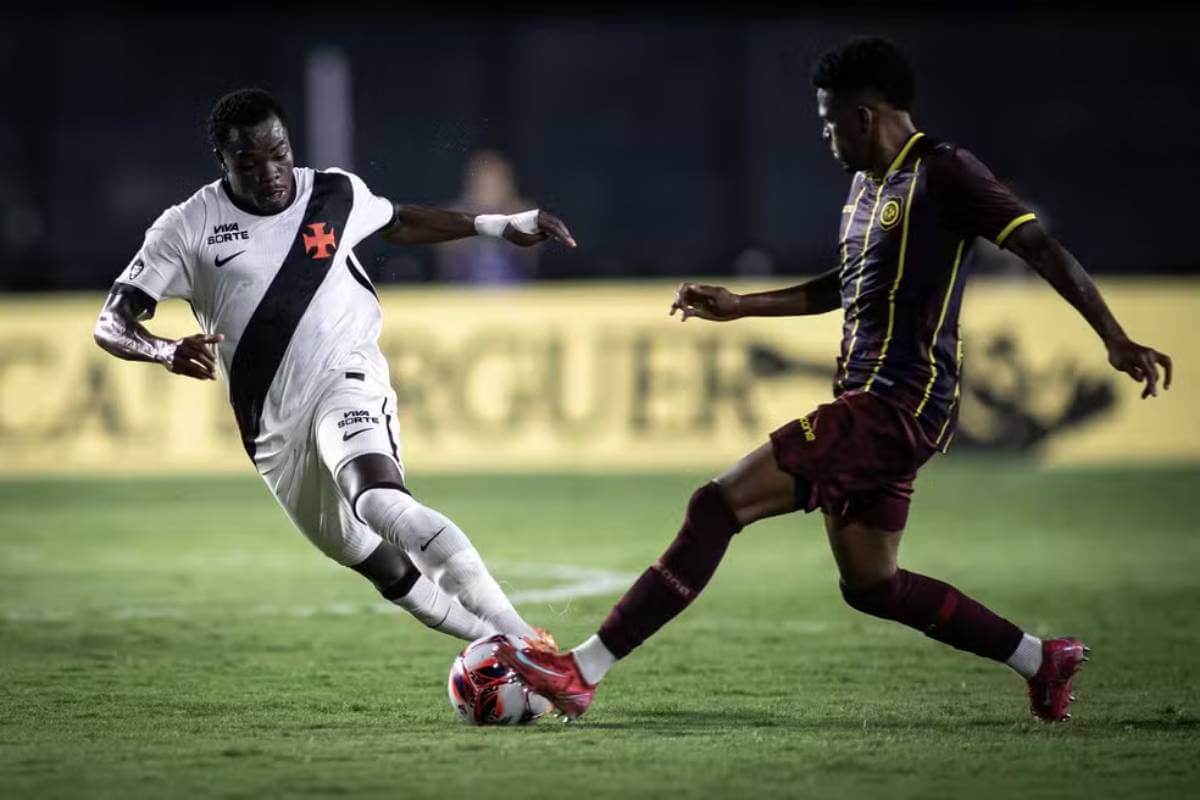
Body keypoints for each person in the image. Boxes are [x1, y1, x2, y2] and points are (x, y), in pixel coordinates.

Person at [496, 37, 1171, 723]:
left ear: (866, 115)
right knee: (873, 584)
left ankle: (582, 671)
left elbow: (1038, 244)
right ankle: (1041, 659)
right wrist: (741, 305)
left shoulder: (945, 173)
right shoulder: (864, 190)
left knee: (717, 505)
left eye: (828, 122)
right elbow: (840, 288)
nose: (825, 136)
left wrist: (1113, 337)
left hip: (895, 405)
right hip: (871, 405)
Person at [94, 88, 576, 647]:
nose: (271, 172)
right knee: (378, 564)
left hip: (344, 379)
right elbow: (110, 322)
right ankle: (500, 648)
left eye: (279, 152)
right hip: (273, 430)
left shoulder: (334, 193)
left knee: (378, 499)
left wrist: (497, 225)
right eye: (249, 163)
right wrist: (163, 349)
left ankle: (525, 644)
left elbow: (399, 220)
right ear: (223, 164)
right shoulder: (186, 228)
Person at [435, 150, 540, 284]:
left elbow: (533, 252)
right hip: (464, 292)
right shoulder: (454, 217)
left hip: (515, 291)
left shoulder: (523, 213)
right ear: (472, 186)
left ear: (508, 186)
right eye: (484, 185)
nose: (489, 192)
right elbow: (445, 259)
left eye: (495, 185)